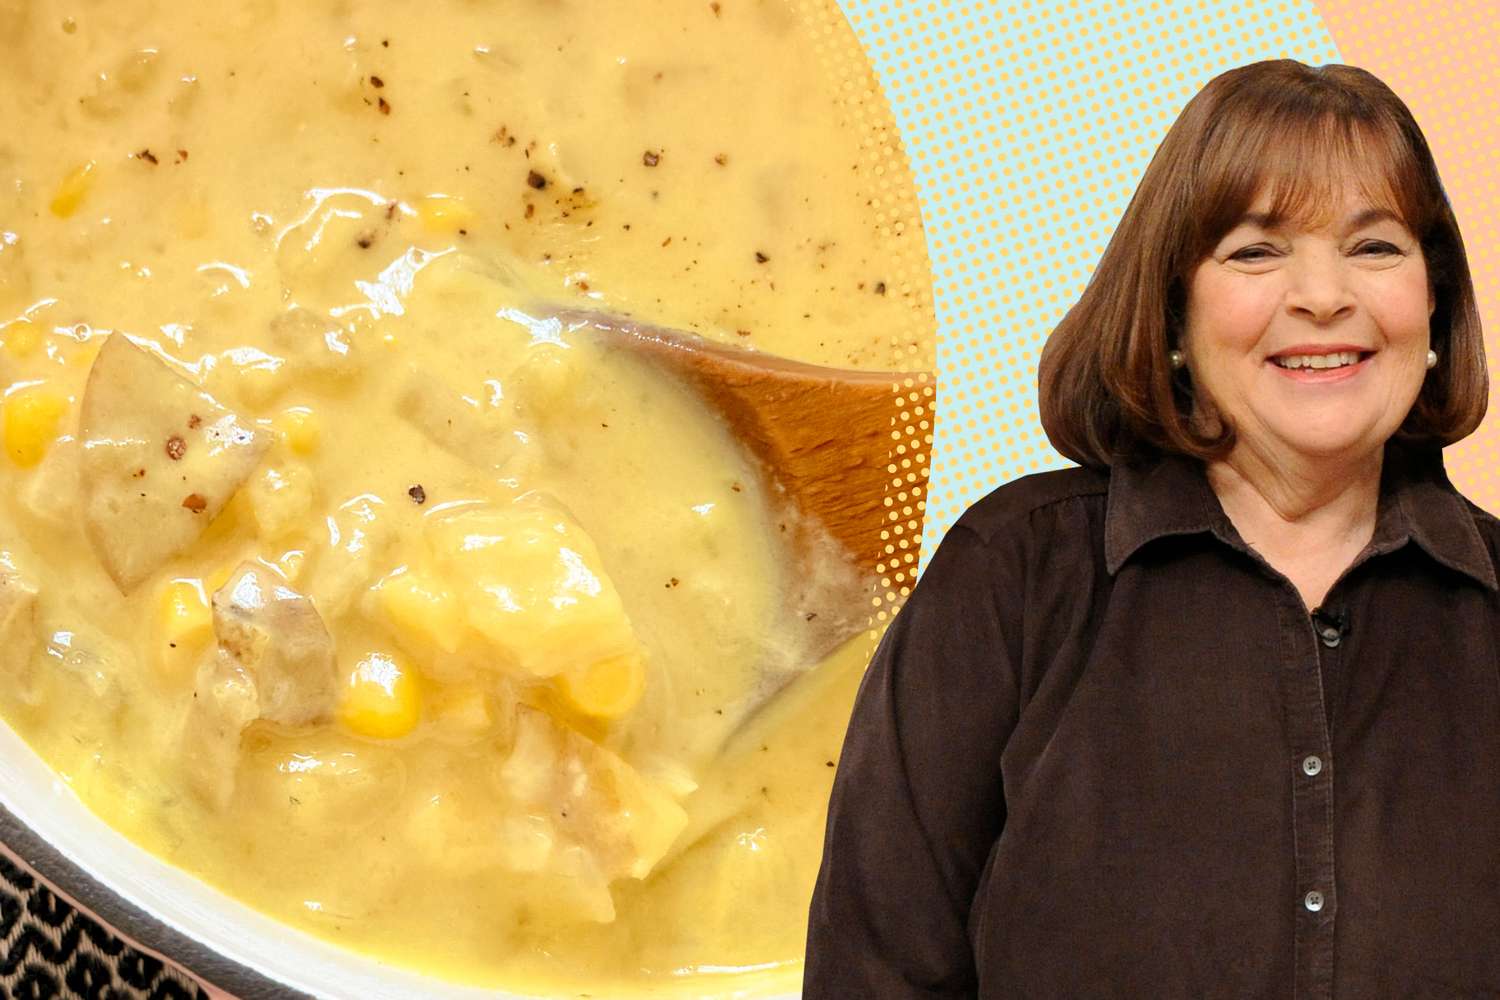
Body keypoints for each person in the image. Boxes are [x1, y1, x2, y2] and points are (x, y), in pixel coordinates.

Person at [803, 58, 1498, 999]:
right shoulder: (1012, 576)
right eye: (1256, 251)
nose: (1324, 295)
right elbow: (873, 975)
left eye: (1375, 248)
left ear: (1436, 306)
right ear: (1174, 312)